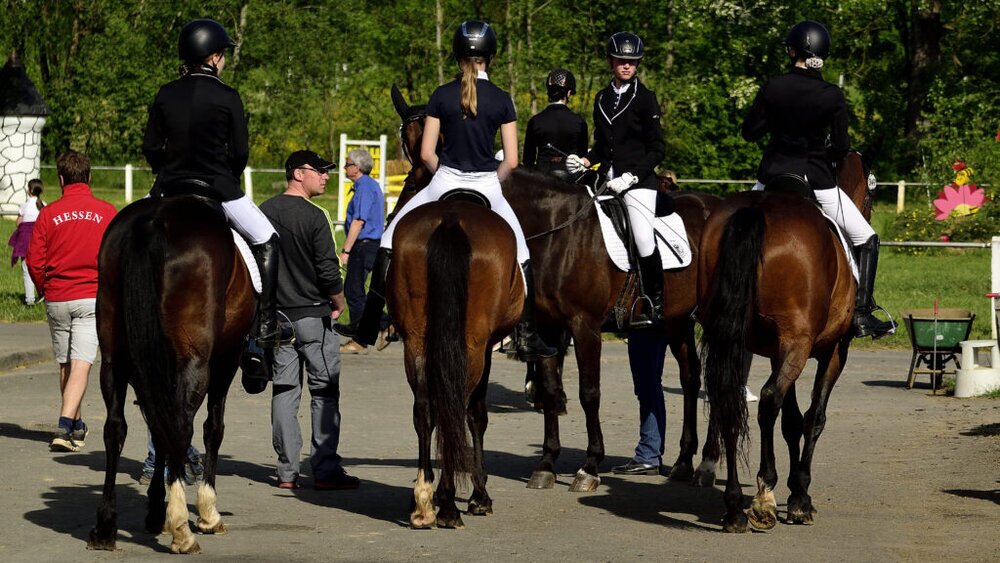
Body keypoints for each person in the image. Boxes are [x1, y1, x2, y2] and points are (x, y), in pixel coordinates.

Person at [352, 20, 556, 362]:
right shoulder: (502, 99)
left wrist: (446, 174)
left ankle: (368, 325)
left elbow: (426, 153)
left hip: (444, 181)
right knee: (522, 253)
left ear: (457, 56)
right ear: (490, 56)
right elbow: (512, 160)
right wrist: (492, 178)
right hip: (487, 185)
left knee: (389, 240)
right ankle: (528, 334)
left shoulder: (441, 94)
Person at [141, 18, 283, 371]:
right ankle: (265, 328)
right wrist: (226, 176)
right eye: (222, 55)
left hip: (168, 187)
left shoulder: (165, 93)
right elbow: (240, 152)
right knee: (268, 239)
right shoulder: (227, 96)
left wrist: (165, 171)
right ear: (214, 56)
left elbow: (151, 147)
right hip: (217, 187)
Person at [741, 20, 894, 339]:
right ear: (823, 55)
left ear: (792, 51)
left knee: (735, 227)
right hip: (815, 180)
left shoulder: (774, 86)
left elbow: (750, 132)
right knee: (867, 238)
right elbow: (841, 147)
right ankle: (862, 313)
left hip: (772, 177)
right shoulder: (831, 95)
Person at [259, 150, 357, 490]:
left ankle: (286, 472)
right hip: (314, 315)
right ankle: (326, 471)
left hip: (278, 319)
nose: (326, 176)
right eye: (319, 170)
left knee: (284, 392)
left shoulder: (263, 211)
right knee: (324, 392)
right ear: (298, 173)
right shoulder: (317, 215)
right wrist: (339, 301)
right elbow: (328, 268)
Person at [566, 31, 668, 328]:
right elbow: (602, 146)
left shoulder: (645, 98)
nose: (626, 65)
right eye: (621, 60)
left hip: (639, 181)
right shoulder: (601, 98)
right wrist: (584, 160)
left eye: (631, 62)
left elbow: (657, 148)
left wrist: (632, 176)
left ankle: (654, 302)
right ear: (611, 61)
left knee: (642, 237)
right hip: (606, 181)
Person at [26, 150, 117, 452]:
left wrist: (44, 287)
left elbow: (34, 259)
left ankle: (77, 425)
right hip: (90, 297)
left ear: (61, 180)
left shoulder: (48, 214)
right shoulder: (107, 212)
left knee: (66, 363)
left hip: (57, 297)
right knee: (81, 364)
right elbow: (117, 256)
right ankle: (64, 426)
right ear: (89, 176)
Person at [334, 148, 388, 354]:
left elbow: (359, 221)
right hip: (370, 244)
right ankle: (384, 324)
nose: (344, 167)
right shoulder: (368, 185)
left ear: (356, 167)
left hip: (364, 245)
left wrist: (346, 250)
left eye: (347, 164)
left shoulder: (364, 187)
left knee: (354, 291)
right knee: (357, 290)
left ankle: (360, 338)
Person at [522, 68, 588, 179]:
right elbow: (582, 158)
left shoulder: (535, 121)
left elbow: (528, 161)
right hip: (571, 182)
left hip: (541, 180)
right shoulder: (579, 122)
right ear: (568, 93)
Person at [7, 178, 44, 306]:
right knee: (41, 268)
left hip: (26, 242)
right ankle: (43, 293)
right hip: (40, 242)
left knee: (26, 270)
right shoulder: (44, 205)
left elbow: (18, 223)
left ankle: (30, 300)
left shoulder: (24, 206)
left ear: (29, 190)